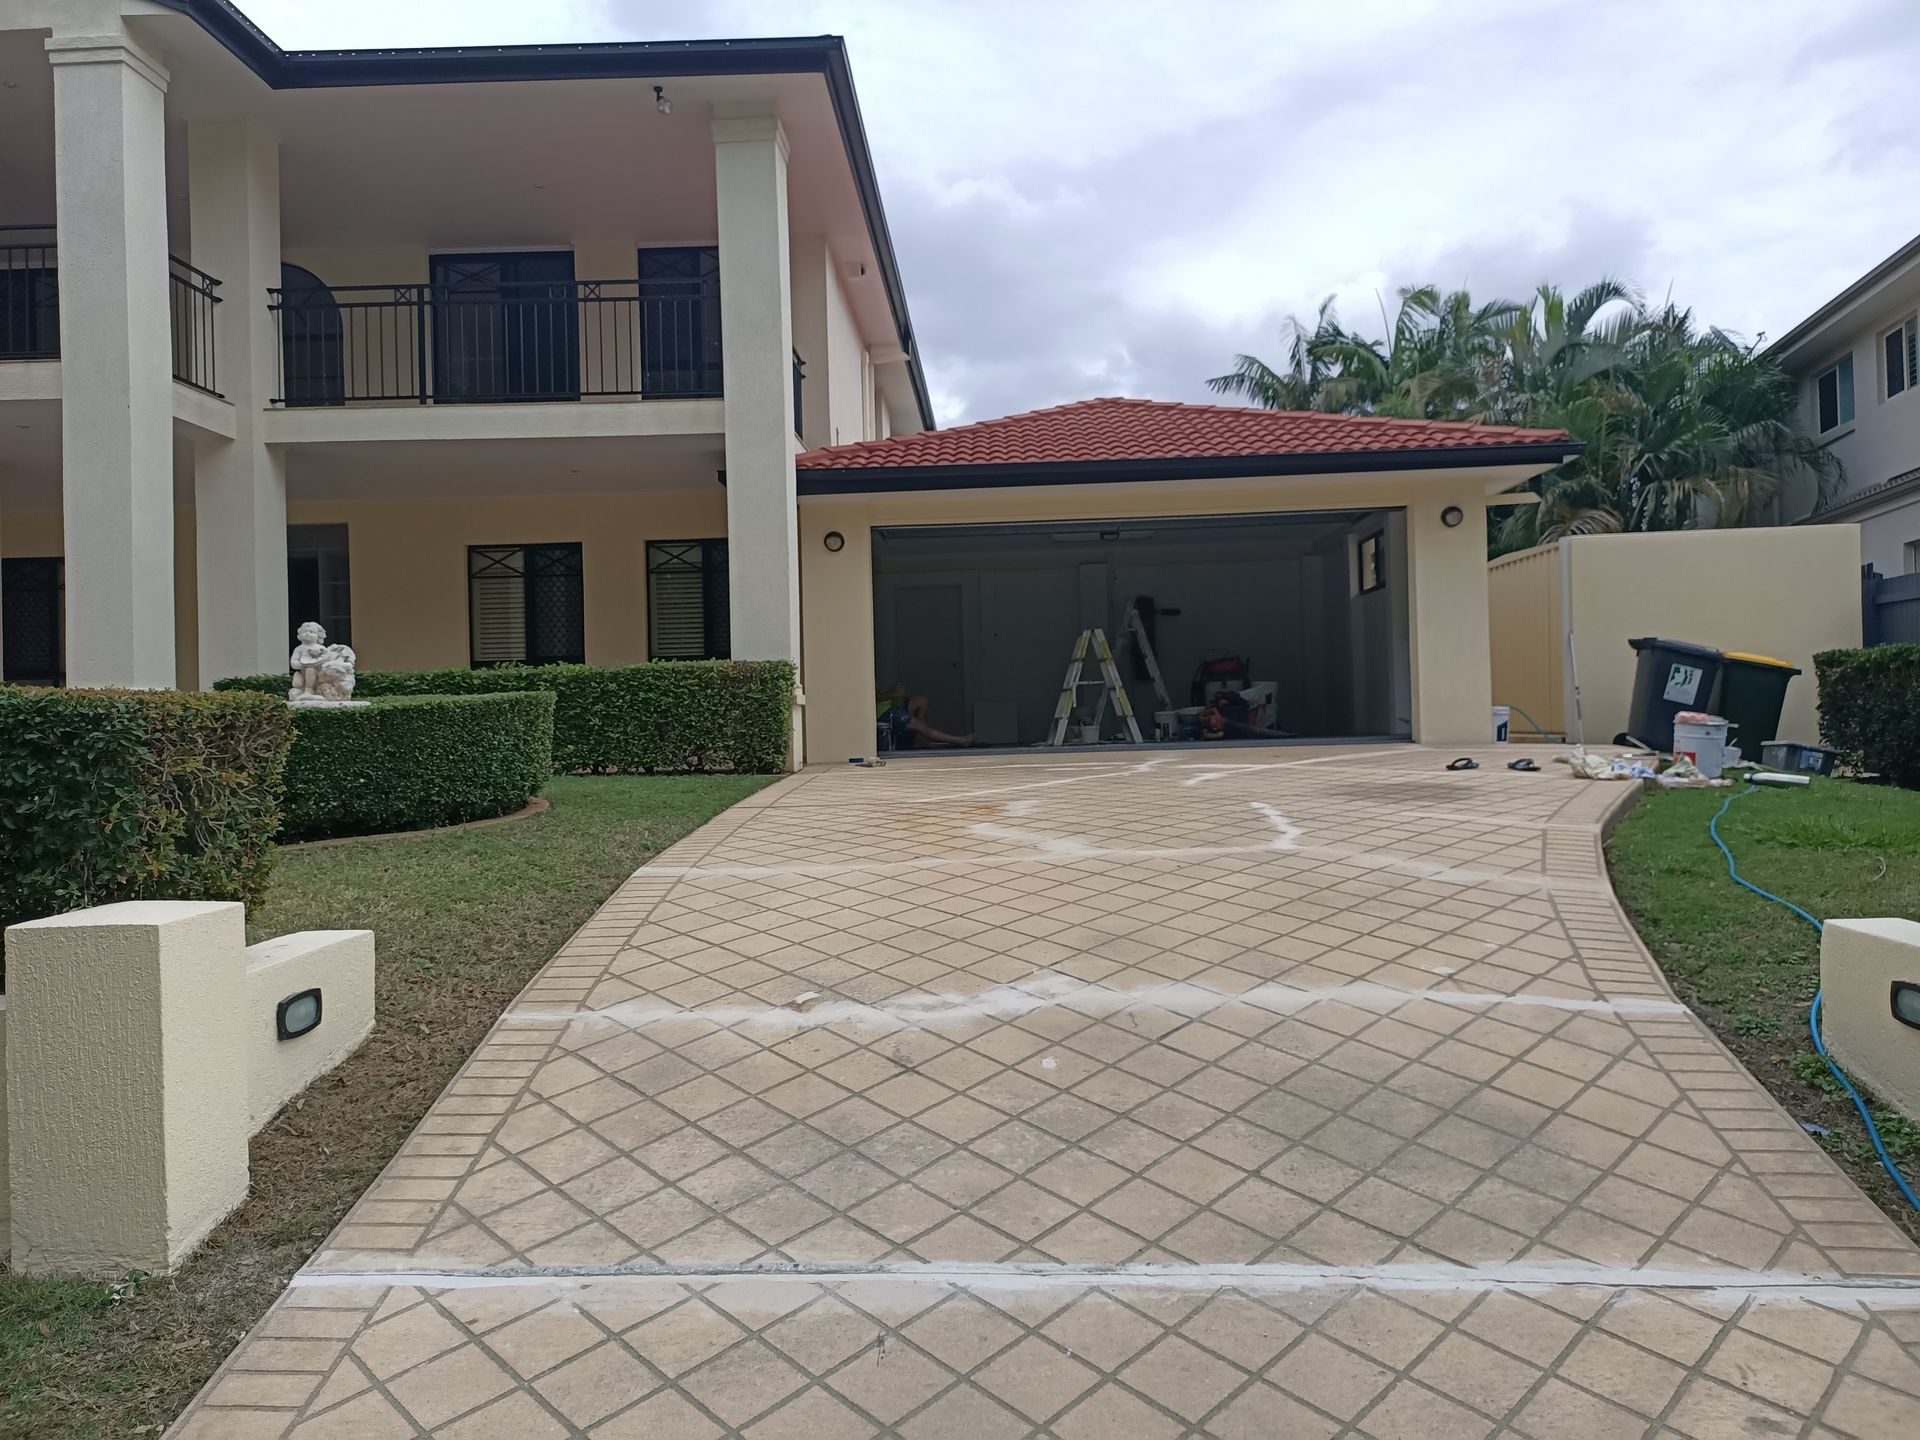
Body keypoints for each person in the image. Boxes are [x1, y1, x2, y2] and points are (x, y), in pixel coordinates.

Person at [879, 689, 974, 749]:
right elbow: (875, 696)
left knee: (922, 700)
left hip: (891, 706)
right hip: (885, 714)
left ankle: (919, 736)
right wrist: (893, 694)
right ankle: (960, 740)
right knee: (921, 726)